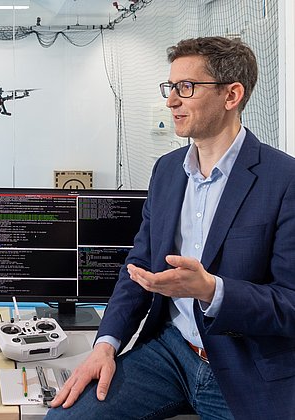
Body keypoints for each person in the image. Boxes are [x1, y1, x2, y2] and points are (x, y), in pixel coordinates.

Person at [45, 36, 295, 420]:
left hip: (247, 366)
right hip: (171, 351)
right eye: (171, 87)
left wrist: (213, 291)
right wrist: (105, 344)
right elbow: (138, 266)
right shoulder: (166, 171)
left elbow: (290, 304)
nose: (171, 100)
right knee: (65, 417)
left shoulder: (284, 179)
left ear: (232, 95)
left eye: (186, 87)